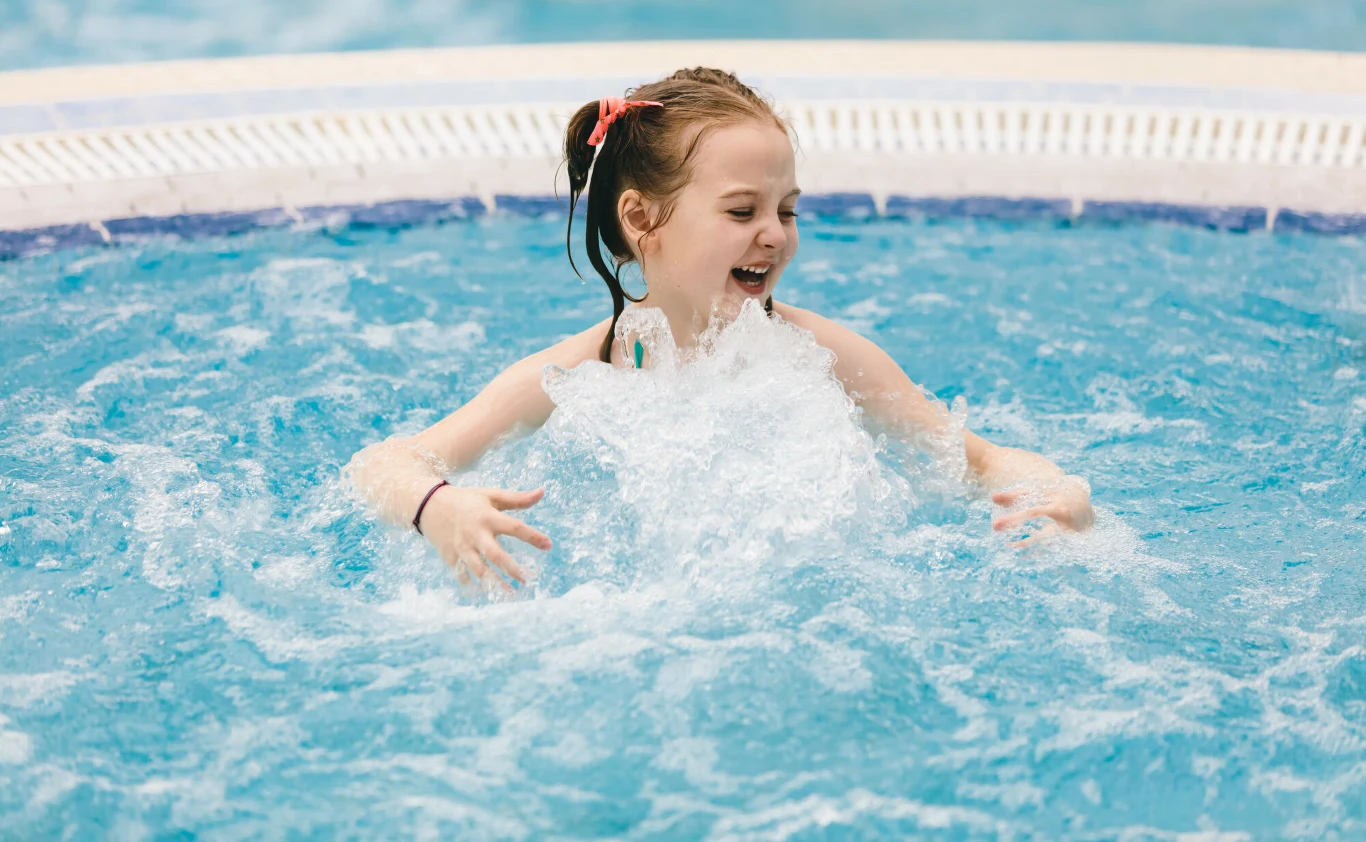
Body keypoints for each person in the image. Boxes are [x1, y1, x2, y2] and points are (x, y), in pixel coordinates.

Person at [347, 68, 1095, 590]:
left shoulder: (822, 355)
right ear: (642, 220)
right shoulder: (585, 370)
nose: (774, 235)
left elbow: (974, 459)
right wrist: (436, 507)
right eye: (743, 212)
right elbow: (384, 463)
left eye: (787, 210)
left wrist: (1057, 494)